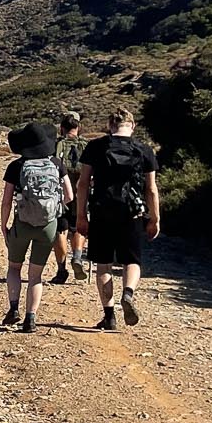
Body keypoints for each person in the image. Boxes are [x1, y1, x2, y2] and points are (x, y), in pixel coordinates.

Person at [75, 108, 159, 330]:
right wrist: (155, 219)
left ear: (110, 126)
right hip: (132, 211)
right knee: (132, 260)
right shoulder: (144, 150)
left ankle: (109, 316)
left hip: (102, 211)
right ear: (132, 126)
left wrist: (81, 215)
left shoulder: (95, 147)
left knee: (103, 264)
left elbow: (82, 183)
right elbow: (151, 189)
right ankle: (128, 293)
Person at [0, 120, 73, 333]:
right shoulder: (57, 164)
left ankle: (13, 308)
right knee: (35, 275)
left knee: (14, 267)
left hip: (21, 223)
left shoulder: (16, 166)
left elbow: (6, 201)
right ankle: (31, 319)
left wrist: (4, 225)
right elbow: (69, 196)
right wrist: (53, 206)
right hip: (48, 225)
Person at [52, 110, 87, 284]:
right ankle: (78, 257)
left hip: (60, 194)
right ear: (78, 127)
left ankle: (61, 270)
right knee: (78, 226)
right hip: (82, 193)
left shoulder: (55, 145)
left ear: (61, 127)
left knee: (61, 230)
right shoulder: (87, 146)